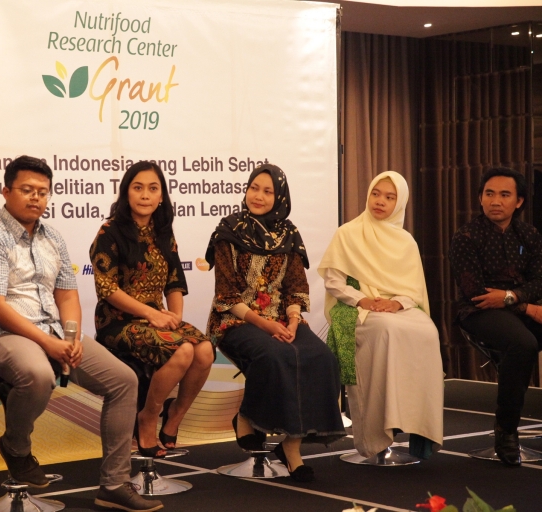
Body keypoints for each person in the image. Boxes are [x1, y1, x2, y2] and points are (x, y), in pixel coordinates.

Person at [0, 156, 162, 512]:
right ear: (6, 191)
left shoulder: (52, 236)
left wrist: (70, 338)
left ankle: (114, 484)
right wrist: (49, 344)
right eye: (27, 190)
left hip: (53, 331)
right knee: (38, 374)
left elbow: (67, 295)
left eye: (42, 192)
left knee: (124, 381)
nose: (36, 198)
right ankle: (16, 447)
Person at [206, 164, 346, 483]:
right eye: (254, 188)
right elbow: (225, 294)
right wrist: (265, 325)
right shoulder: (229, 230)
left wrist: (294, 320)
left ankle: (291, 448)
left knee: (321, 357)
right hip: (235, 319)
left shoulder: (289, 233)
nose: (258, 196)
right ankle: (246, 416)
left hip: (283, 319)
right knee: (274, 355)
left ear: (279, 197)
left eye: (268, 191)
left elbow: (296, 286)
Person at [90, 161, 214, 458]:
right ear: (126, 193)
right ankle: (147, 417)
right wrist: (151, 314)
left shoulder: (163, 232)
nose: (145, 195)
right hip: (117, 322)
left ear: (161, 196)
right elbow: (107, 289)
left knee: (205, 350)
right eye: (138, 187)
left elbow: (175, 282)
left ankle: (174, 416)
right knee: (182, 350)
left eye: (152, 188)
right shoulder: (110, 231)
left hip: (155, 318)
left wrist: (176, 317)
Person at [317, 171, 443, 461]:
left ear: (400, 203)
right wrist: (362, 299)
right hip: (357, 307)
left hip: (395, 308)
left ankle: (417, 426)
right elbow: (334, 282)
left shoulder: (406, 241)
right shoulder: (348, 233)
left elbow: (413, 289)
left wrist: (396, 303)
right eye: (376, 193)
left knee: (427, 331)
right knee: (386, 331)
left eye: (389, 197)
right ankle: (375, 437)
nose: (380, 201)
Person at [449, 167, 542, 466]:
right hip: (478, 313)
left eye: (504, 194)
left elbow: (539, 281)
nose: (496, 201)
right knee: (523, 344)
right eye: (489, 194)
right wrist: (525, 305)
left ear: (519, 201)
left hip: (518, 308)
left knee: (523, 341)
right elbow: (477, 293)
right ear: (480, 198)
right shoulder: (466, 237)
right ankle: (506, 430)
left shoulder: (529, 235)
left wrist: (511, 297)